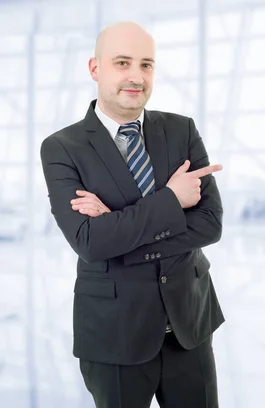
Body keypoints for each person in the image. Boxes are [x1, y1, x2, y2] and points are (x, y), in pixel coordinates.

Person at [39, 21, 224, 408]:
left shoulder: (181, 130)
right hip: (114, 334)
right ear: (95, 68)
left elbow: (210, 224)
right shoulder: (61, 148)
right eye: (122, 63)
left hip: (188, 327)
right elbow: (90, 242)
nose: (136, 77)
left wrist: (116, 225)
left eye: (146, 65)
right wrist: (171, 199)